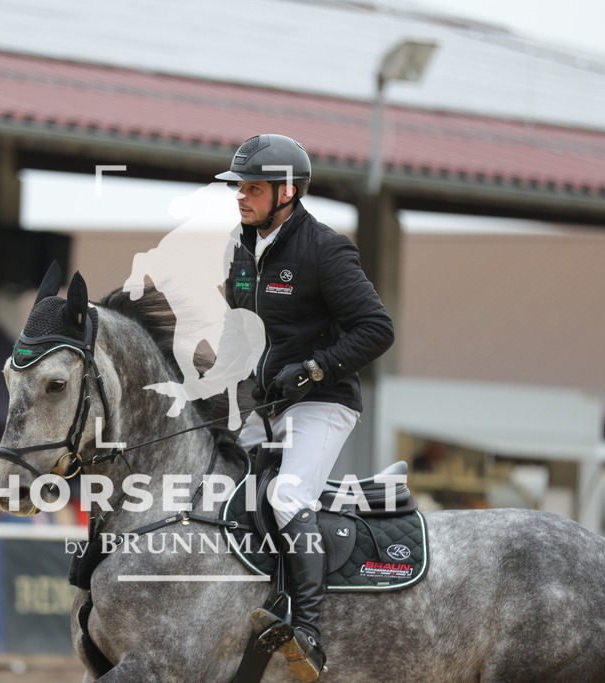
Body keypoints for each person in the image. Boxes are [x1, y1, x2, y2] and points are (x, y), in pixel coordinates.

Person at [219, 134, 395, 681]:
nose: (241, 197)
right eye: (238, 187)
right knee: (212, 481)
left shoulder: (325, 249)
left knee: (286, 493)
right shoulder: (240, 245)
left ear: (287, 192)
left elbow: (377, 329)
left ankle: (309, 633)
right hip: (264, 404)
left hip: (322, 402)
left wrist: (316, 368)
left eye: (251, 188)